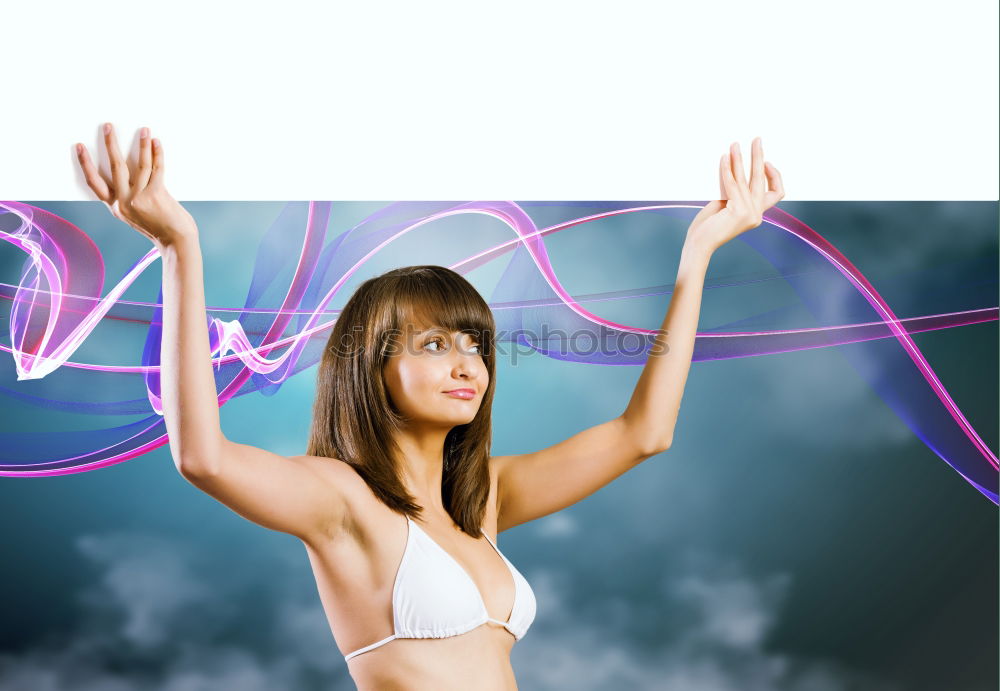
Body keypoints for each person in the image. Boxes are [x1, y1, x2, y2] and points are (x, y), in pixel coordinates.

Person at [74, 123, 784, 691]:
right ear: (370, 364)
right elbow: (204, 456)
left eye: (473, 343)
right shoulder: (340, 499)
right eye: (435, 343)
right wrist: (179, 244)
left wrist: (698, 257)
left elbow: (645, 432)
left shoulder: (485, 502)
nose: (466, 363)